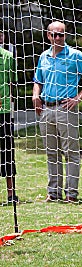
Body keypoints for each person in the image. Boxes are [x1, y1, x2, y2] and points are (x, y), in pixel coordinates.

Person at [32, 21, 82, 203]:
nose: (57, 38)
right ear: (48, 36)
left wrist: (79, 97)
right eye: (54, 35)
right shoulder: (44, 56)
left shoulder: (75, 55)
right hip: (46, 109)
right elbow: (37, 79)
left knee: (70, 153)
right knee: (51, 153)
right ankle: (53, 193)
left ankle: (71, 194)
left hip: (65, 109)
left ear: (65, 36)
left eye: (61, 34)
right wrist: (35, 96)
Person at [0, 46, 18, 204]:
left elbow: (12, 83)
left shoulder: (8, 57)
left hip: (3, 111)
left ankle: (11, 194)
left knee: (7, 152)